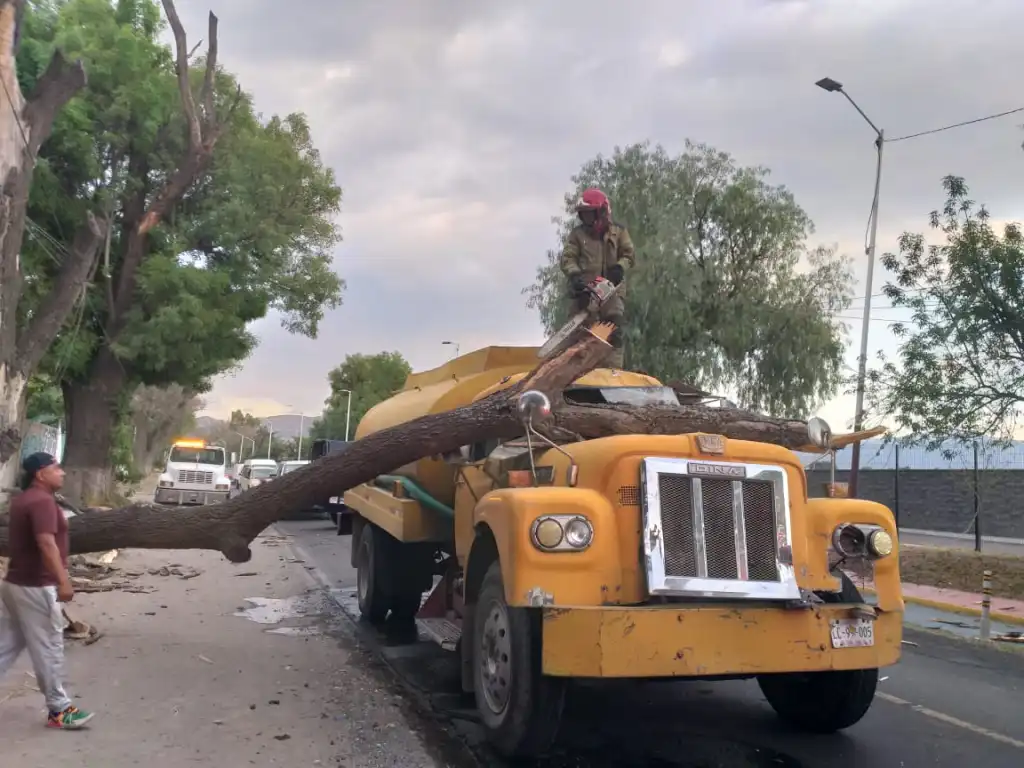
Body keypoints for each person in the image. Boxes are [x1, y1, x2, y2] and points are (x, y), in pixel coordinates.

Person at [0, 452, 94, 729]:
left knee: (6, 645)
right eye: (56, 468)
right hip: (36, 585)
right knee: (49, 647)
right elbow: (46, 544)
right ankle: (59, 710)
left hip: (16, 583)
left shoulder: (24, 499)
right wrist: (63, 580)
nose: (62, 472)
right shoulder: (41, 501)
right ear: (41, 474)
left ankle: (58, 707)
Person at [559, 187, 635, 368]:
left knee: (613, 328)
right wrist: (575, 275)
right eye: (583, 215)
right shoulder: (577, 235)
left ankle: (613, 372)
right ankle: (574, 370)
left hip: (612, 290)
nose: (586, 219)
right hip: (586, 290)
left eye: (589, 214)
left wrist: (619, 267)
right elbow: (568, 257)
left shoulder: (619, 232)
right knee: (578, 331)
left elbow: (629, 254)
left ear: (601, 212)